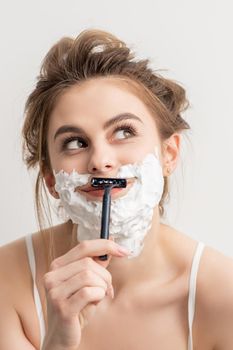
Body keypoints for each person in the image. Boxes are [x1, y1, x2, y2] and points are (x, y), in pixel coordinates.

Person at [0, 28, 233, 350]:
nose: (100, 161)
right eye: (75, 142)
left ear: (169, 154)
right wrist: (57, 341)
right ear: (52, 178)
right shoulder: (4, 281)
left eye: (124, 132)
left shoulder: (224, 295)